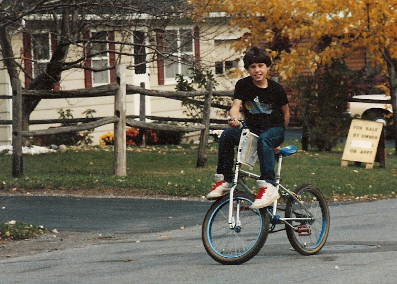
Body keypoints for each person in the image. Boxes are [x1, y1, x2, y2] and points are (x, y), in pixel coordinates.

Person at [206, 46, 290, 209]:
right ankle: (226, 179)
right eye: (253, 67)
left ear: (267, 67)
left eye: (261, 66)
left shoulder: (276, 89)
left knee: (266, 139)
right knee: (228, 135)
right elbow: (236, 106)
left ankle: (269, 185)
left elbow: (286, 113)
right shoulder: (243, 85)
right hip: (252, 129)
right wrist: (234, 118)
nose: (257, 70)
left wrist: (278, 138)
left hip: (274, 129)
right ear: (248, 69)